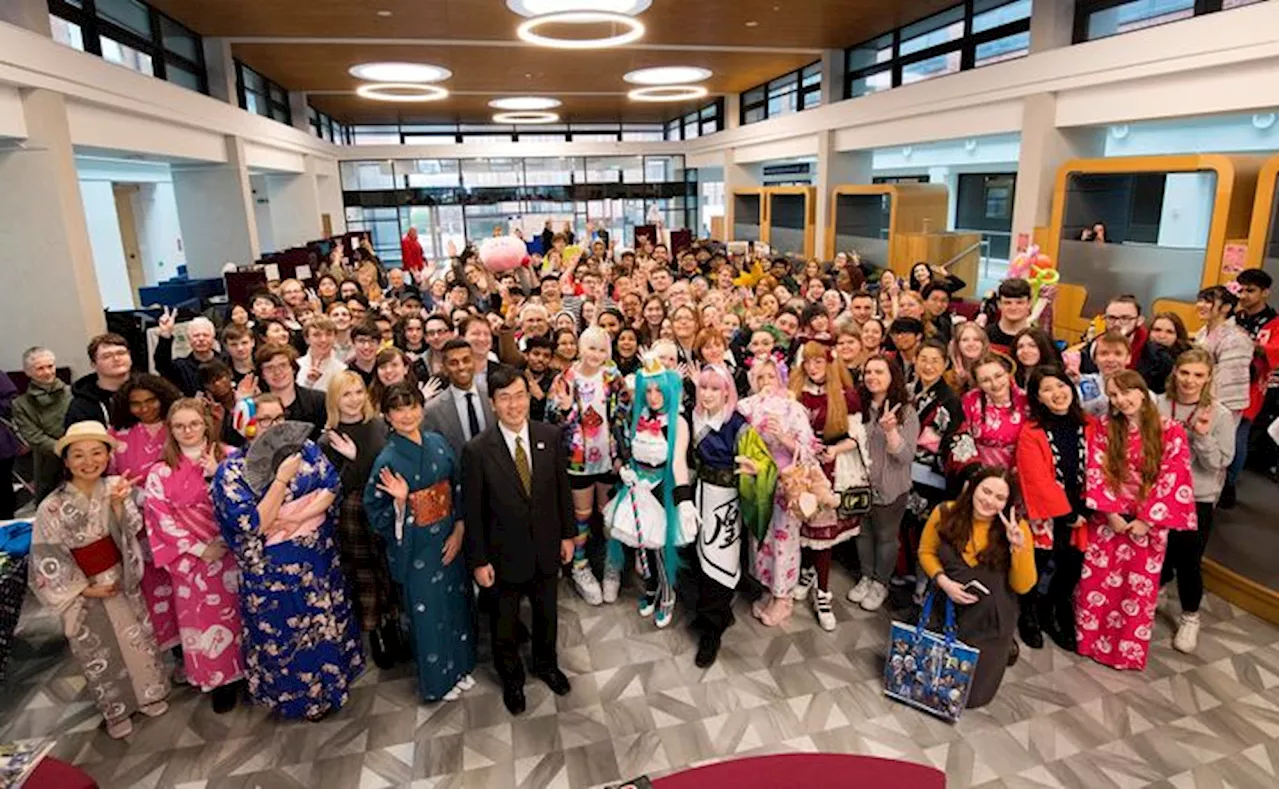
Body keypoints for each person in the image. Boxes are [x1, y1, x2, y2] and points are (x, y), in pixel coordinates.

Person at [212, 394, 363, 720]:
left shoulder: (306, 449)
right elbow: (252, 524)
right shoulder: (232, 471)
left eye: (279, 418)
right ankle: (304, 700)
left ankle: (335, 684)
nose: (275, 427)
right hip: (273, 568)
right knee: (290, 635)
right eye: (265, 420)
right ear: (247, 425)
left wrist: (291, 518)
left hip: (318, 556)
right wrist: (281, 480)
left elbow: (331, 485)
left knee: (328, 622)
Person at [28, 421, 170, 738]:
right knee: (99, 651)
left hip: (121, 576)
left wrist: (119, 506)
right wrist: (87, 589)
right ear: (65, 461)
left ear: (108, 456)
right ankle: (115, 709)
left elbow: (133, 530)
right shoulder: (51, 508)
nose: (88, 461)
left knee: (137, 641)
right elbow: (48, 557)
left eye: (96, 453)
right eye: (78, 455)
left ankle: (150, 694)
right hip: (84, 587)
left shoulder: (117, 486)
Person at [463, 366, 575, 716]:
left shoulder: (550, 436)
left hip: (545, 547)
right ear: (493, 404)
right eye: (505, 398)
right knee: (505, 624)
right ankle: (511, 677)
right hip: (502, 556)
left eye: (520, 395)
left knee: (546, 615)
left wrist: (569, 535)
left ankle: (546, 664)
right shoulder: (477, 451)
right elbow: (474, 512)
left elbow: (562, 490)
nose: (514, 405)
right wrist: (479, 561)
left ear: (529, 397)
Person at [1076, 371, 1195, 671]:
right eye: (1114, 395)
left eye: (1126, 392)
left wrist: (1146, 520)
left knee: (1137, 590)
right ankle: (1089, 641)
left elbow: (1173, 477)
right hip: (1109, 519)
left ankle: (1125, 652)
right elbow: (1096, 469)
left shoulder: (1170, 430)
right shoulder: (1104, 428)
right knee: (1097, 584)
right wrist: (1111, 513)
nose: (1121, 400)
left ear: (1142, 392)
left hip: (1148, 522)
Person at [365, 383, 476, 702]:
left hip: (449, 536)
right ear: (387, 415)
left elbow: (456, 487)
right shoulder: (387, 458)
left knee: (457, 603)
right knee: (429, 614)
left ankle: (461, 666)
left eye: (412, 406)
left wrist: (459, 528)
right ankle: (437, 682)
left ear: (422, 408)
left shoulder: (438, 443)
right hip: (417, 548)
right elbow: (376, 512)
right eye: (398, 409)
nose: (407, 415)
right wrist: (401, 502)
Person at [142, 398, 244, 713]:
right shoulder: (159, 472)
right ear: (170, 430)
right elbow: (159, 517)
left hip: (233, 550)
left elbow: (246, 499)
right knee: (204, 622)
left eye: (194, 424)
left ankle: (250, 673)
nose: (187, 431)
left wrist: (225, 538)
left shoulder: (229, 456)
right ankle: (220, 680)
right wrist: (201, 548)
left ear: (206, 424)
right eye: (179, 426)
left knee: (243, 615)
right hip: (192, 560)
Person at [918, 468, 1035, 708]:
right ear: (973, 488)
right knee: (927, 681)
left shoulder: (1017, 530)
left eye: (999, 498)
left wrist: (1018, 549)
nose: (989, 501)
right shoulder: (944, 512)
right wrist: (944, 582)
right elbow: (926, 552)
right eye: (986, 491)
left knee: (969, 697)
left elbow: (1022, 586)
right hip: (946, 610)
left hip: (990, 624)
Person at [688, 365, 772, 667]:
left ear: (727, 392)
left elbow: (766, 466)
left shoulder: (738, 425)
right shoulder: (693, 416)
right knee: (699, 558)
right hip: (697, 494)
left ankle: (713, 628)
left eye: (715, 388)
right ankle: (711, 614)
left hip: (726, 501)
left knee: (720, 558)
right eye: (703, 387)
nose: (708, 394)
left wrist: (755, 470)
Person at [1155, 350, 1234, 653]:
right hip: (1158, 493)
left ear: (1208, 377)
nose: (1190, 380)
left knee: (1188, 559)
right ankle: (1155, 592)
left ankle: (1190, 616)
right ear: (1175, 371)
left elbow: (1220, 463)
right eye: (1185, 372)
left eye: (1198, 375)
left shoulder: (1220, 414)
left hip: (1195, 497)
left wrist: (1201, 437)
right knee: (1158, 549)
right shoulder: (1159, 403)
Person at [602, 362, 693, 628]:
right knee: (643, 547)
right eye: (649, 390)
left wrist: (684, 501)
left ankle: (667, 594)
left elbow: (678, 463)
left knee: (661, 550)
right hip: (636, 487)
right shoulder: (639, 415)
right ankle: (652, 589)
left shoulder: (677, 422)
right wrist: (625, 470)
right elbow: (630, 450)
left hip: (661, 491)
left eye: (659, 391)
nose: (653, 397)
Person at [546, 327, 632, 605]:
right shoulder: (565, 378)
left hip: (609, 457)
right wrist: (568, 408)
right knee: (581, 514)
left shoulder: (613, 377)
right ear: (580, 348)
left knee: (607, 515)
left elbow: (624, 413)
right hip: (577, 462)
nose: (596, 354)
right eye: (591, 348)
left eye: (601, 349)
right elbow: (554, 421)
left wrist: (622, 452)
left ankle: (611, 566)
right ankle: (580, 567)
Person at [321, 372, 399, 670]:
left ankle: (393, 626)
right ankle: (376, 633)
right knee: (365, 575)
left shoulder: (379, 425)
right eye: (346, 394)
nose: (353, 400)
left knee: (387, 570)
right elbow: (336, 488)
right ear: (334, 400)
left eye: (357, 392)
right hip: (352, 516)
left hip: (385, 506)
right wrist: (353, 460)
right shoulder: (328, 438)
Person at [1016, 367, 1092, 653]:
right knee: (1036, 564)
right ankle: (1030, 613)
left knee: (1071, 565)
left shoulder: (1089, 423)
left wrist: (1086, 506)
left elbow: (1100, 465)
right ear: (1037, 397)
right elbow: (1035, 477)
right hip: (1049, 512)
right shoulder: (1031, 432)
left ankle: (1056, 609)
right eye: (1047, 390)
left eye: (1060, 385)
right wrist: (1067, 513)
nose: (1056, 394)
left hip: (1084, 507)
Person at [108, 374, 184, 659]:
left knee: (186, 589)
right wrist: (130, 494)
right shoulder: (118, 435)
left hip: (180, 523)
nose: (145, 408)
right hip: (139, 525)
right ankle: (175, 653)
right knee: (155, 592)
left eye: (151, 400)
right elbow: (109, 476)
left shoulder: (176, 425)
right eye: (136, 404)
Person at [738, 357, 818, 627]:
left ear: (781, 379)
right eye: (760, 378)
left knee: (784, 541)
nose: (765, 383)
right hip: (759, 481)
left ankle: (783, 597)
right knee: (761, 538)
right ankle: (768, 588)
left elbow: (809, 449)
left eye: (770, 377)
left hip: (786, 483)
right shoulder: (750, 407)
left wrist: (784, 436)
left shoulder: (793, 408)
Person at [788, 342, 862, 629]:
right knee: (802, 526)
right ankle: (807, 572)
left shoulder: (846, 395)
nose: (813, 367)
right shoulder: (795, 391)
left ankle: (823, 592)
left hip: (830, 468)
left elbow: (856, 436)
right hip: (798, 466)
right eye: (808, 362)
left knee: (822, 534)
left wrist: (834, 451)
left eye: (819, 362)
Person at [849, 355, 919, 612]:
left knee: (886, 537)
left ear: (892, 376)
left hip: (891, 488)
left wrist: (891, 431)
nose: (872, 377)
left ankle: (881, 582)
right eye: (868, 372)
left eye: (879, 372)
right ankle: (866, 576)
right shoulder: (858, 406)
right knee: (863, 532)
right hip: (859, 484)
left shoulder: (906, 412)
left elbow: (905, 456)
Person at [902, 339, 963, 602]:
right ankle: (906, 574)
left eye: (935, 361)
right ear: (915, 361)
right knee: (905, 524)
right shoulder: (909, 391)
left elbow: (941, 440)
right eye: (923, 359)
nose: (928, 365)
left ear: (946, 364)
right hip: (904, 468)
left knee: (925, 529)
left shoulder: (949, 400)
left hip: (929, 474)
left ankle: (923, 581)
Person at [950, 353, 1027, 475]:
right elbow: (960, 437)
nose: (995, 384)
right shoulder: (970, 400)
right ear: (978, 384)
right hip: (977, 469)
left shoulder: (1026, 401)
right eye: (985, 380)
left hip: (1019, 470)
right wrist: (973, 470)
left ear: (1008, 373)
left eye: (998, 376)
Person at [12, 346, 71, 504]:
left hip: (79, 457)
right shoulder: (21, 404)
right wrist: (64, 450)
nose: (47, 372)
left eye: (50, 366)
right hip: (48, 463)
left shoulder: (71, 393)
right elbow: (33, 436)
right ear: (28, 372)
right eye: (40, 368)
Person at [422, 338, 493, 455]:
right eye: (453, 363)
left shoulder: (492, 395)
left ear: (474, 362)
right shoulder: (432, 410)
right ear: (444, 368)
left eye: (466, 360)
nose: (461, 367)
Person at [253, 343, 327, 438]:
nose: (277, 372)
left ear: (293, 368)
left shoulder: (319, 400)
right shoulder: (254, 406)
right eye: (269, 368)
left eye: (283, 365)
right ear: (262, 374)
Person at [66, 333, 133, 426]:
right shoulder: (82, 406)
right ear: (93, 364)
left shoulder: (148, 389)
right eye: (107, 356)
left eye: (121, 353)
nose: (116, 358)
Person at [154, 311, 218, 397]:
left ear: (213, 337)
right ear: (189, 339)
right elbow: (162, 364)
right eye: (196, 335)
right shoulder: (181, 367)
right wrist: (165, 334)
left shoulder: (225, 360)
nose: (201, 339)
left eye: (205, 335)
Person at [1079, 295, 1147, 376]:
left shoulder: (1156, 356)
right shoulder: (1092, 348)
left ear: (1139, 321)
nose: (1117, 324)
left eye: (1125, 318)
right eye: (1111, 318)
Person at [1136, 312, 1192, 394]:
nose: (1162, 336)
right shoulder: (1138, 353)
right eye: (1157, 330)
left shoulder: (1188, 357)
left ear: (1178, 336)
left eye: (1169, 332)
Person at [296, 316, 348, 393]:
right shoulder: (296, 366)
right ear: (307, 339)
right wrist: (308, 382)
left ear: (335, 337)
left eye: (328, 334)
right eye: (316, 335)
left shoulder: (342, 370)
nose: (323, 340)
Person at [985, 279, 1033, 355]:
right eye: (1007, 303)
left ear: (1029, 304)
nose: (1013, 308)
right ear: (999, 304)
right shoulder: (984, 336)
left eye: (1020, 303)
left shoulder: (1039, 339)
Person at [945, 322, 990, 393]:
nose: (971, 344)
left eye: (976, 339)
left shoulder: (995, 372)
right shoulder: (948, 378)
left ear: (983, 344)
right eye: (965, 340)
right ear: (957, 345)